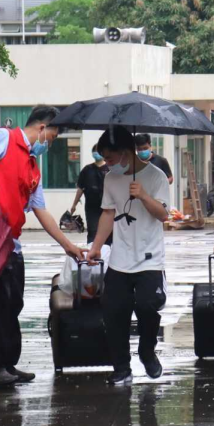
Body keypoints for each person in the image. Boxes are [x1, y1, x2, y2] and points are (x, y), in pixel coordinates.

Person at [0, 106, 86, 387]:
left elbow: (41, 211)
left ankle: (8, 364)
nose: (49, 145)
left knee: (13, 302)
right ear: (41, 128)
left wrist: (69, 246)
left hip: (11, 243)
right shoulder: (2, 139)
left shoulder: (32, 166)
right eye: (52, 138)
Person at [88, 126, 170, 385]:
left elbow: (164, 215)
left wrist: (143, 195)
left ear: (125, 153)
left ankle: (147, 352)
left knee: (148, 306)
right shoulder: (111, 178)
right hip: (120, 260)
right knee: (114, 312)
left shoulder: (156, 176)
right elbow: (108, 214)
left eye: (110, 158)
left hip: (149, 258)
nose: (107, 164)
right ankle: (121, 368)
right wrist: (97, 246)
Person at [70, 145, 112, 245]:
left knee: (109, 231)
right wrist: (74, 204)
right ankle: (92, 254)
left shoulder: (110, 169)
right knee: (93, 230)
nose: (97, 154)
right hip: (91, 206)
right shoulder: (87, 170)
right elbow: (80, 188)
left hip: (108, 206)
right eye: (95, 152)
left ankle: (108, 252)